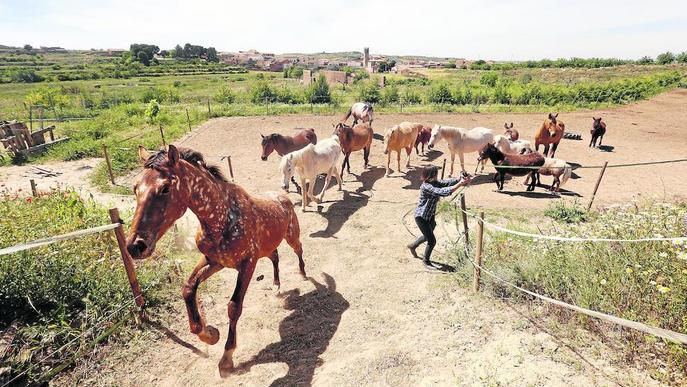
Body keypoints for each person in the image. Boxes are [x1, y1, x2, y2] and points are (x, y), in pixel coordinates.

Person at [408, 166, 472, 269]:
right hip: (421, 217)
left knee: (427, 235)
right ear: (432, 175)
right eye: (436, 174)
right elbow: (442, 192)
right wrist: (460, 184)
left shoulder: (434, 183)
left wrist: (460, 178)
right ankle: (426, 261)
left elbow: (446, 183)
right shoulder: (427, 186)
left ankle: (413, 246)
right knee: (432, 241)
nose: (437, 176)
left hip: (429, 215)